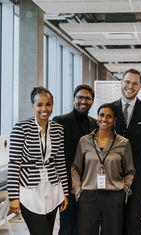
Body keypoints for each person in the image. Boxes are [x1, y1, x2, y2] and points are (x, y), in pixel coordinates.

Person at [8, 86, 69, 235]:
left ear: (52, 105)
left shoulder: (58, 129)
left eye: (48, 104)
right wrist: (13, 197)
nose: (44, 108)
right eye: (39, 104)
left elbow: (60, 161)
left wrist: (64, 193)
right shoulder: (21, 128)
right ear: (33, 106)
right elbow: (14, 163)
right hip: (29, 191)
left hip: (52, 190)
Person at [71, 103, 136, 235]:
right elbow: (75, 168)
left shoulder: (123, 143)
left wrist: (124, 191)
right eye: (101, 115)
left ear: (115, 120)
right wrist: (79, 191)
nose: (104, 119)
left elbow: (130, 171)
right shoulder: (84, 141)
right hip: (89, 195)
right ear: (97, 117)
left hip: (114, 195)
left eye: (109, 116)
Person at [112, 68, 141, 235]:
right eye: (127, 82)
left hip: (138, 173)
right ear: (121, 83)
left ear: (140, 86)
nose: (130, 86)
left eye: (134, 83)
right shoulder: (110, 110)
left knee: (134, 216)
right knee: (116, 216)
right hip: (113, 172)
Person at [53, 84, 97, 235]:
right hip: (67, 183)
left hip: (90, 183)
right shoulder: (60, 121)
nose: (83, 101)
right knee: (67, 226)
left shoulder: (96, 124)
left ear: (92, 101)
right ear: (73, 99)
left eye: (87, 98)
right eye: (80, 97)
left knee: (86, 226)